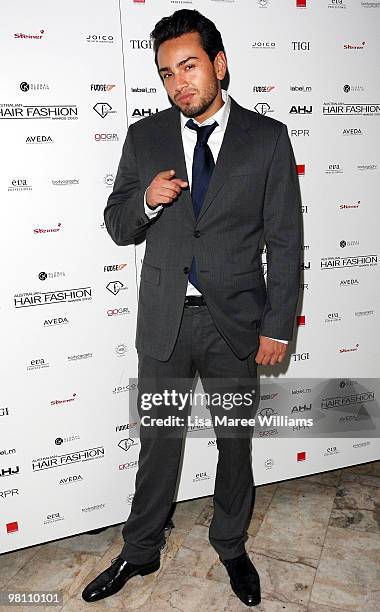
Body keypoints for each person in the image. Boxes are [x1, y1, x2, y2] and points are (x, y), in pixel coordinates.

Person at [82, 9, 301, 607]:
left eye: (189, 66)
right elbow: (116, 224)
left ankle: (232, 547)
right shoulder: (145, 136)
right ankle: (141, 549)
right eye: (167, 73)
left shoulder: (267, 138)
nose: (179, 82)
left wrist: (278, 324)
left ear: (218, 64)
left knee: (235, 443)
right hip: (166, 322)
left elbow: (285, 241)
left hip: (236, 323)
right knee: (158, 442)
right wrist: (147, 202)